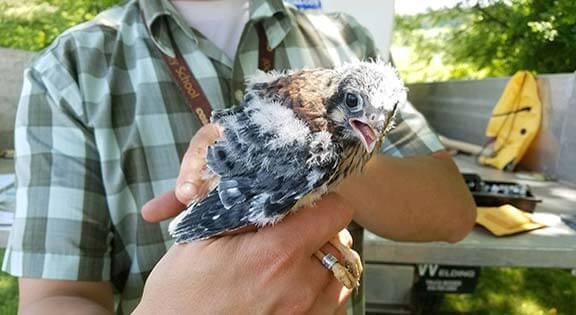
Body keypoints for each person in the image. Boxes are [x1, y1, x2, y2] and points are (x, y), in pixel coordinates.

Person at [2, 0, 477, 313]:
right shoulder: (73, 67)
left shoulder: (346, 42)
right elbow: (54, 297)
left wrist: (315, 152)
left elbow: (454, 215)